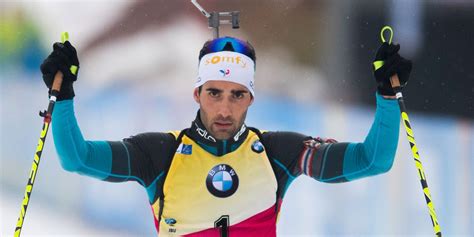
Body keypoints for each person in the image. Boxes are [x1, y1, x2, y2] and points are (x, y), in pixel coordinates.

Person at [40, 36, 412, 237]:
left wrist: (386, 97)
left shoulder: (277, 151)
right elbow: (77, 158)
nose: (224, 109)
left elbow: (373, 160)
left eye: (236, 95)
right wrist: (65, 95)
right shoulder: (160, 152)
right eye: (214, 93)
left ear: (250, 98)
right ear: (197, 94)